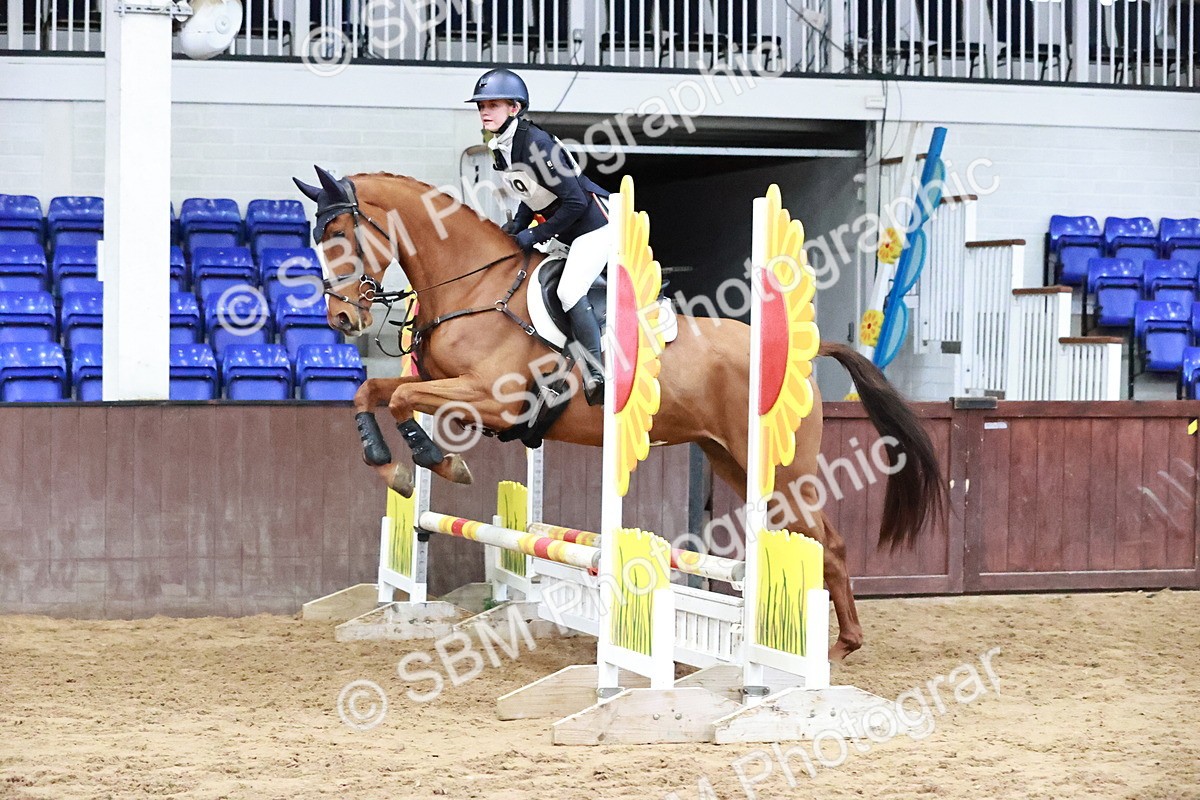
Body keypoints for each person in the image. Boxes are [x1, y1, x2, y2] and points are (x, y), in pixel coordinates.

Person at [467, 68, 610, 406]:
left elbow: (575, 202)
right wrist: (514, 229)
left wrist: (533, 235)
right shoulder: (502, 146)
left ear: (514, 108)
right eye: (481, 106)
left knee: (569, 290)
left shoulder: (535, 144)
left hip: (595, 228)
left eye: (493, 105)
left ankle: (595, 371)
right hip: (566, 229)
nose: (484, 111)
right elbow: (531, 195)